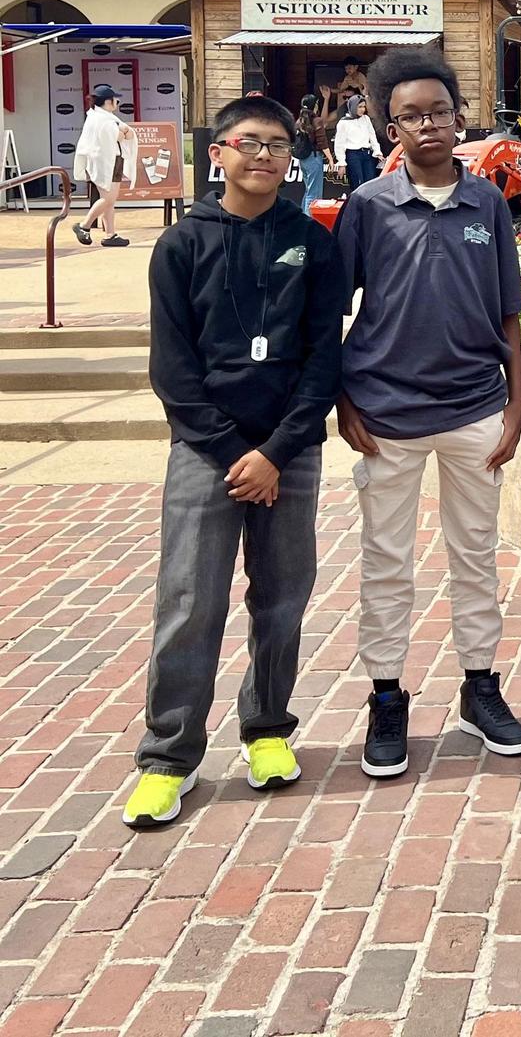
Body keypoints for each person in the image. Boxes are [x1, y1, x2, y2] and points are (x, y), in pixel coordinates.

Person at [122, 96, 348, 828]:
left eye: (279, 146)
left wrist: (277, 450)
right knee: (190, 600)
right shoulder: (181, 245)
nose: (264, 156)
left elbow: (324, 358)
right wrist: (234, 453)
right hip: (206, 452)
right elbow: (173, 371)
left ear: (294, 159)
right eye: (248, 142)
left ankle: (268, 730)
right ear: (215, 151)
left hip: (290, 450)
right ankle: (168, 757)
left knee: (281, 597)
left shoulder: (312, 242)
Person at [333, 48, 521, 780]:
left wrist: (515, 404)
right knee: (387, 563)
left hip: (475, 408)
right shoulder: (367, 206)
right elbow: (332, 311)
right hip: (385, 412)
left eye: (440, 112)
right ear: (391, 126)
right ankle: (387, 695)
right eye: (412, 115)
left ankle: (480, 687)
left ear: (460, 117)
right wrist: (343, 398)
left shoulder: (487, 203)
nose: (428, 126)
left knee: (476, 556)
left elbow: (510, 313)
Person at [72, 83, 137, 248]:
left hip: (105, 161)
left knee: (107, 199)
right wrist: (122, 133)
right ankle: (84, 225)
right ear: (108, 102)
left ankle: (110, 234)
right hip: (108, 162)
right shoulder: (103, 120)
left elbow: (125, 133)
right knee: (109, 198)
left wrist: (123, 133)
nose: (117, 103)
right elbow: (121, 135)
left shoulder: (98, 117)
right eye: (116, 100)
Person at [292, 95, 332, 213]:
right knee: (314, 194)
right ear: (314, 105)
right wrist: (331, 159)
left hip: (303, 159)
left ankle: (303, 218)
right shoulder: (316, 120)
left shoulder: (299, 121)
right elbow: (322, 142)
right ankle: (309, 223)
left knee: (309, 191)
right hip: (314, 158)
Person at [334, 94, 382, 188]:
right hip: (353, 155)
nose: (362, 109)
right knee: (358, 183)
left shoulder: (366, 119)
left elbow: (372, 136)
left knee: (371, 182)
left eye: (364, 107)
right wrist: (342, 162)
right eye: (359, 107)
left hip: (367, 154)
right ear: (353, 106)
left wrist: (377, 151)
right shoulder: (343, 122)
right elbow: (339, 144)